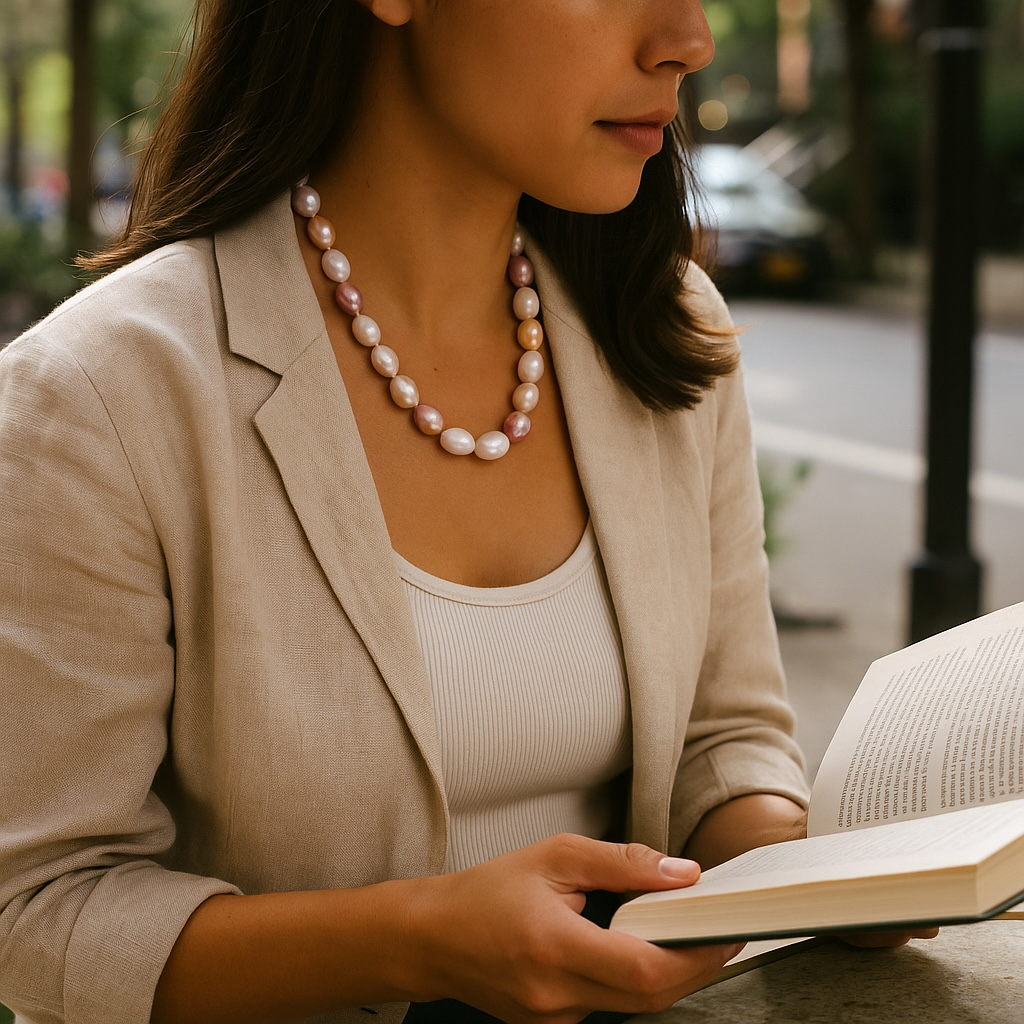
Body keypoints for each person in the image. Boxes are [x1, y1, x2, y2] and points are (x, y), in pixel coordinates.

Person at [0, 2, 933, 1023]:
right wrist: (416, 940)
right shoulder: (94, 395)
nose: (688, 39)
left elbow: (723, 737)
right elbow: (39, 909)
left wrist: (823, 874)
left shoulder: (663, 329)